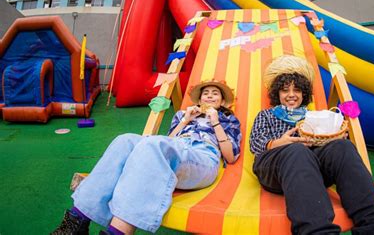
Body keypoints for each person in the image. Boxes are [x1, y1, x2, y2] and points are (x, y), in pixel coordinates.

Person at [52, 80, 241, 235]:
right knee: (124, 140)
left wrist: (215, 122)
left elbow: (230, 156)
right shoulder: (184, 116)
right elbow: (168, 143)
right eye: (205, 93)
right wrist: (185, 120)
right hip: (176, 149)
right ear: (199, 99)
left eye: (215, 93)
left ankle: (118, 232)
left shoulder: (228, 120)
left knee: (152, 144)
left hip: (203, 157)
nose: (209, 95)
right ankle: (75, 223)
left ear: (223, 102)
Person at [250, 55, 374, 235]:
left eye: (297, 90)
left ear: (304, 94)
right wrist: (279, 142)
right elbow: (255, 144)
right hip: (274, 167)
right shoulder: (266, 115)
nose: (291, 95)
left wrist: (334, 136)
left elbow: (327, 149)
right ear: (277, 93)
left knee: (342, 147)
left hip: (311, 169)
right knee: (297, 150)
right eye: (285, 90)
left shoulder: (315, 115)